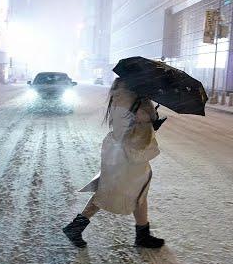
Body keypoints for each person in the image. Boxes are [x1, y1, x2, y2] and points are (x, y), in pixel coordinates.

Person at [63, 78, 166, 249]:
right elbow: (130, 129)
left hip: (126, 155)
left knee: (138, 193)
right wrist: (150, 118)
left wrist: (149, 120)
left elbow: (129, 127)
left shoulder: (125, 98)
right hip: (128, 157)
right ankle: (75, 227)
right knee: (111, 192)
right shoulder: (131, 101)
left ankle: (143, 234)